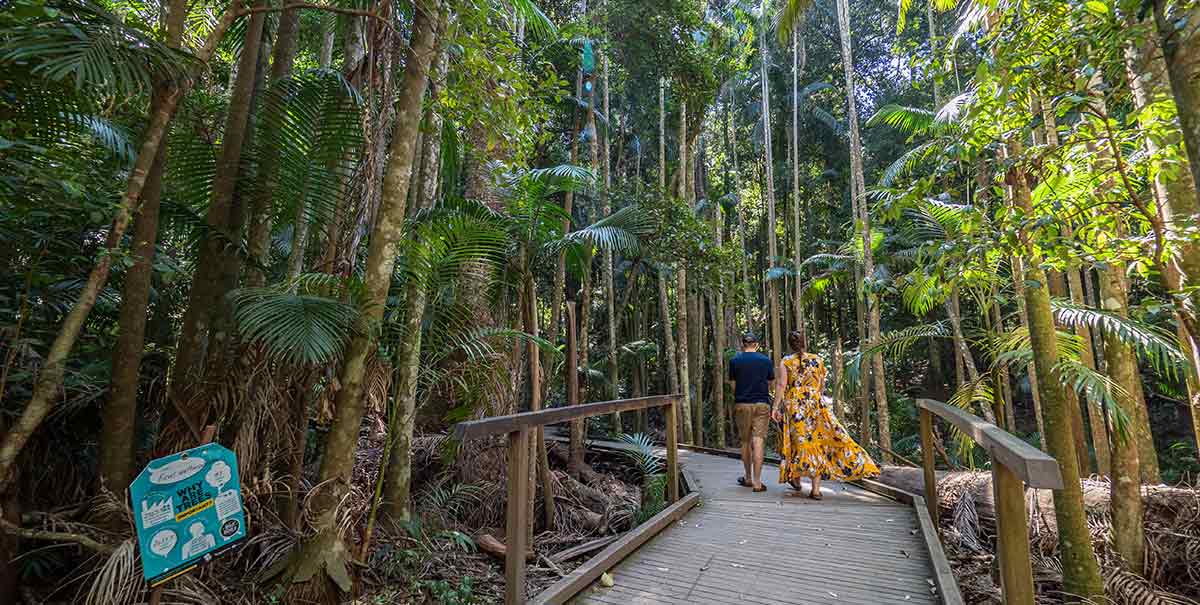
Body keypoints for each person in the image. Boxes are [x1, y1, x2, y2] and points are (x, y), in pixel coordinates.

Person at [773, 330, 879, 500]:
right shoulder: (817, 360)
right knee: (817, 442)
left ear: (790, 344)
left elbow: (781, 385)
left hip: (795, 406)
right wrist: (815, 398)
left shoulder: (786, 361)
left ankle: (797, 479)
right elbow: (821, 385)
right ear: (804, 342)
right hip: (815, 403)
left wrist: (775, 407)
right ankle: (815, 490)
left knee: (799, 443)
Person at [728, 332, 774, 492]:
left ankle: (747, 477)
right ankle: (757, 482)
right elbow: (770, 383)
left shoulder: (734, 361)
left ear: (743, 344)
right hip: (762, 404)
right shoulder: (766, 361)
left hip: (742, 404)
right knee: (758, 440)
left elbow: (732, 385)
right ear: (756, 344)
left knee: (745, 441)